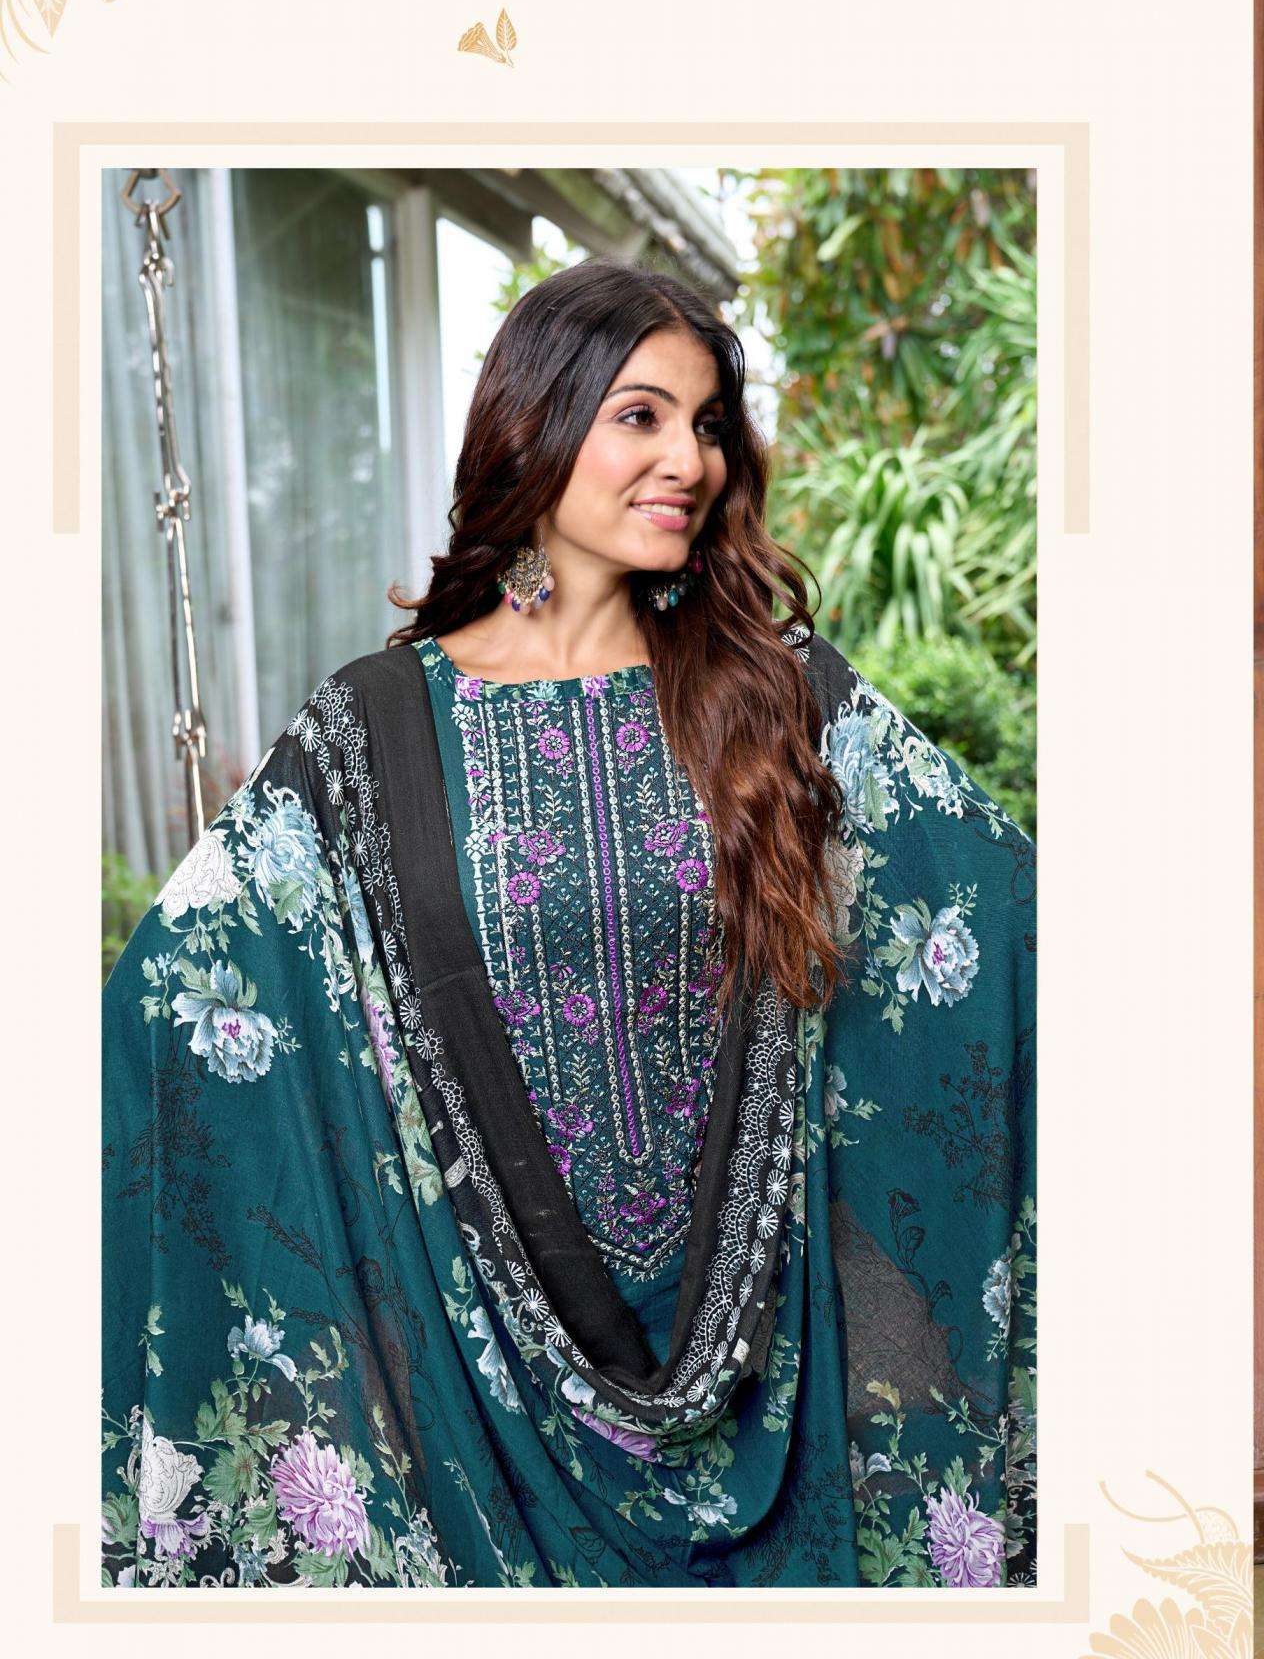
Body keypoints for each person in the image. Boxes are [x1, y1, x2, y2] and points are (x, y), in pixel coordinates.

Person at [101, 256, 1036, 1588]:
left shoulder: (783, 700)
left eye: (707, 424)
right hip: (471, 1397)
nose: (689, 461)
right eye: (641, 416)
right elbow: (175, 1015)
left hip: (780, 1351)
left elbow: (1010, 930)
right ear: (536, 424)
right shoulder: (370, 732)